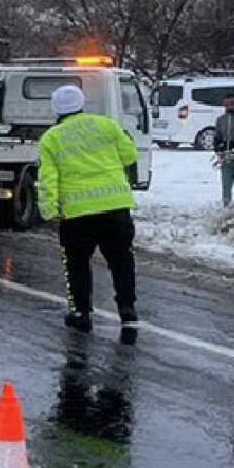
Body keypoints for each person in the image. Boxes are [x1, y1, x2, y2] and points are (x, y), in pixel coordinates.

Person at [37, 84, 139, 337]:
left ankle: (81, 313)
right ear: (82, 103)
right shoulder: (107, 125)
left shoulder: (52, 137)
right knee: (121, 259)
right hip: (116, 206)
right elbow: (129, 155)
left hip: (78, 213)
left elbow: (48, 179)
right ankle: (127, 309)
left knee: (77, 264)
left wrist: (48, 210)